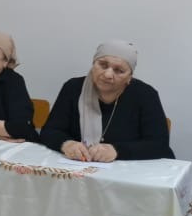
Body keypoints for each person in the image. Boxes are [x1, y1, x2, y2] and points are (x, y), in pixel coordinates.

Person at [41, 40, 174, 161]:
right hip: (80, 167)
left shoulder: (145, 95)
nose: (108, 74)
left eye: (119, 70)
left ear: (129, 78)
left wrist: (117, 151)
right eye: (103, 65)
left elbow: (159, 144)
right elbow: (50, 131)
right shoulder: (73, 88)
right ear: (93, 64)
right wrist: (67, 144)